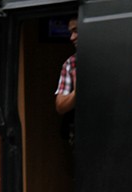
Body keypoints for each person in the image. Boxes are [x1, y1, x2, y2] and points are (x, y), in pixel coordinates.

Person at [55, 16, 78, 145]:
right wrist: (76, 93)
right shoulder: (71, 63)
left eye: (76, 31)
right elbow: (60, 106)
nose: (72, 37)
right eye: (71, 32)